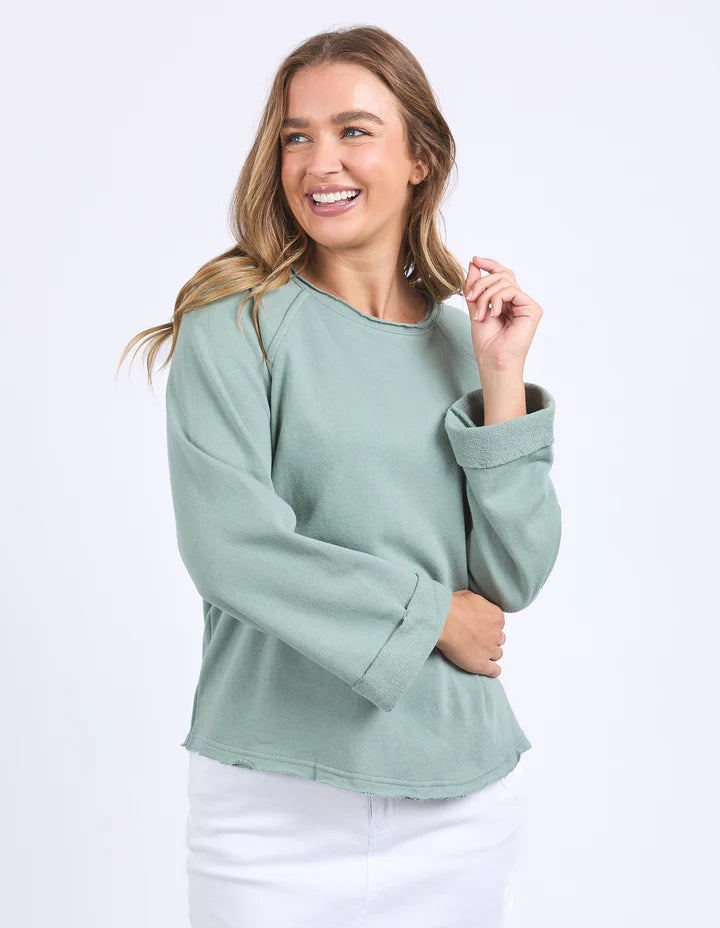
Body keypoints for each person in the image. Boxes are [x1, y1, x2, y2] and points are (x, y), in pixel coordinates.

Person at [118, 24, 562, 928]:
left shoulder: (463, 345)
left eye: (354, 130)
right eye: (297, 135)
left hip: (462, 799)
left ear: (420, 158)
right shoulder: (234, 321)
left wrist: (502, 380)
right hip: (272, 805)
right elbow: (231, 548)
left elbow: (514, 577)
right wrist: (433, 615)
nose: (321, 161)